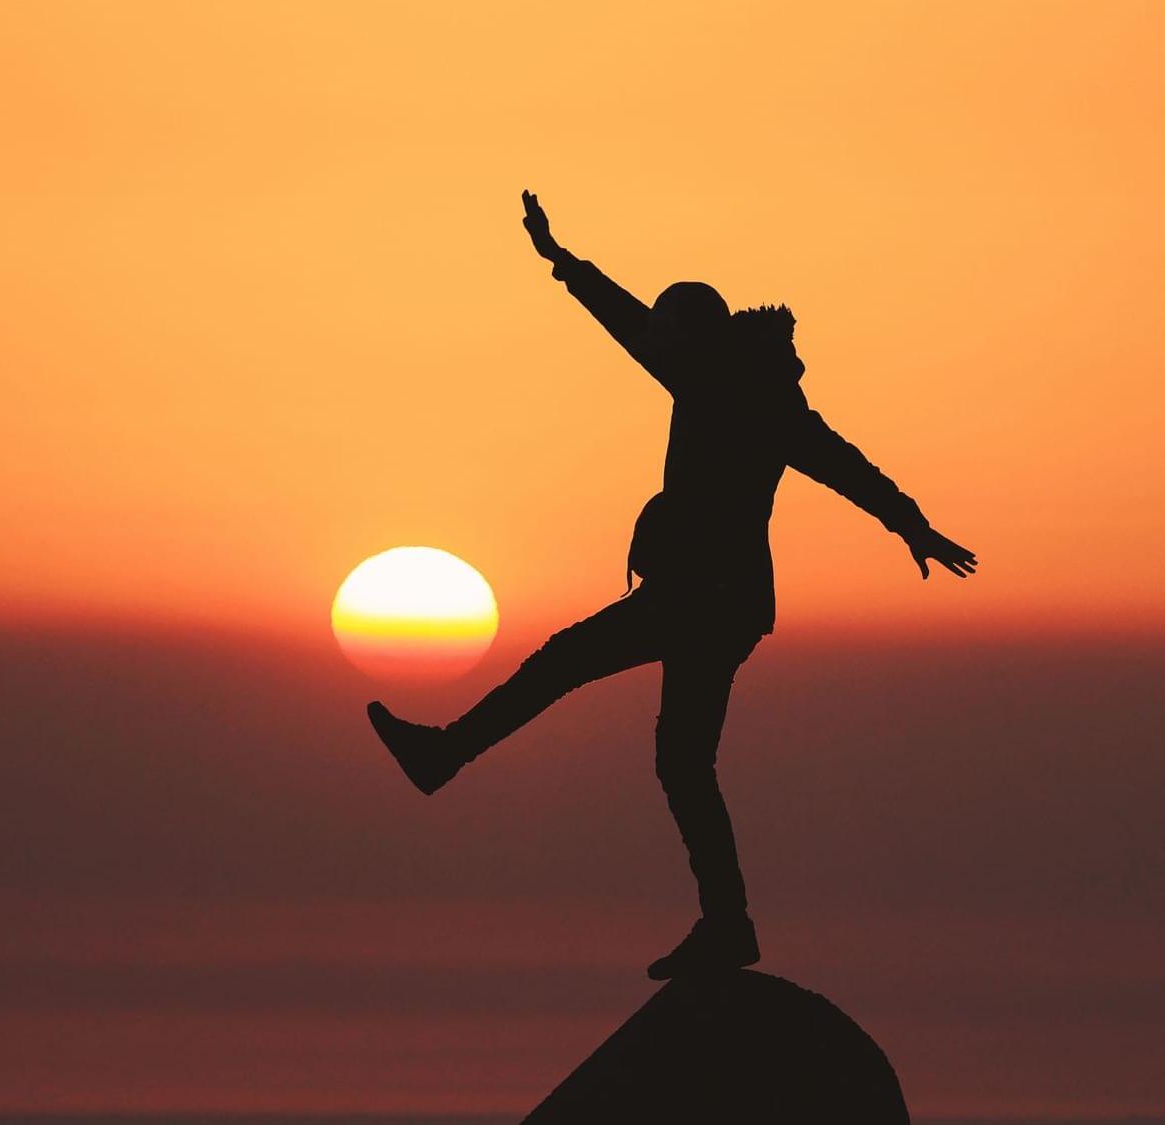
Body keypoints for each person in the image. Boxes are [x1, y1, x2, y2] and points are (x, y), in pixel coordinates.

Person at [369, 190, 977, 979]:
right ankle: (727, 924)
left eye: (668, 336)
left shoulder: (736, 390)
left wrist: (912, 523)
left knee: (568, 666)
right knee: (682, 761)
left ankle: (444, 756)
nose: (658, 347)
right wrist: (562, 262)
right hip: (720, 605)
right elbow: (634, 326)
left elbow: (843, 464)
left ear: (692, 336)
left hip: (701, 599)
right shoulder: (732, 380)